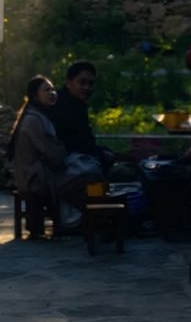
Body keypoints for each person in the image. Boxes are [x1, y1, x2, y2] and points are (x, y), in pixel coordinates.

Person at [9, 75, 99, 238]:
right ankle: (81, 221)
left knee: (84, 174)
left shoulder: (38, 116)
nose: (52, 93)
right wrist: (61, 152)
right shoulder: (34, 120)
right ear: (35, 96)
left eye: (53, 89)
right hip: (35, 178)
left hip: (37, 173)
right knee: (88, 176)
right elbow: (53, 154)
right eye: (46, 90)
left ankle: (79, 220)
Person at [47, 60, 114, 175]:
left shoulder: (77, 104)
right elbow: (69, 142)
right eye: (82, 82)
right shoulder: (59, 104)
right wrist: (100, 154)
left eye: (90, 84)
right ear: (69, 82)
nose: (86, 87)